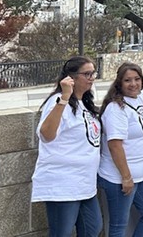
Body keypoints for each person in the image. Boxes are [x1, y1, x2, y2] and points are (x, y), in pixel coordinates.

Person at [31, 56, 103, 237]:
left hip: (84, 183)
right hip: (63, 183)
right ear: (71, 77)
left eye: (93, 73)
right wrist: (64, 98)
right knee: (61, 233)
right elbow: (46, 135)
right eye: (86, 74)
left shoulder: (85, 103)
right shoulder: (57, 101)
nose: (91, 78)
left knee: (92, 227)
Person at [98, 63, 143, 237]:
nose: (133, 84)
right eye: (127, 80)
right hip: (121, 178)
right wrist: (126, 177)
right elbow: (115, 145)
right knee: (118, 226)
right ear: (119, 83)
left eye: (137, 79)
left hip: (142, 175)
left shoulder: (140, 98)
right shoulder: (116, 108)